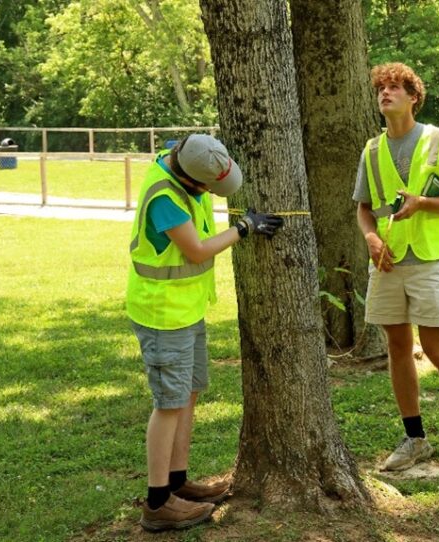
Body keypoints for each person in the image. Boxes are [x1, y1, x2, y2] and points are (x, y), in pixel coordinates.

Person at [126, 134, 283, 531]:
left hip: (185, 310)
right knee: (169, 404)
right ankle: (158, 502)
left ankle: (178, 483)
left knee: (188, 393)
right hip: (163, 315)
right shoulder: (165, 198)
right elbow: (195, 250)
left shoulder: (185, 156)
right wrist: (244, 228)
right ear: (192, 181)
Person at [353, 62, 439, 471]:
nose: (385, 93)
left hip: (428, 260)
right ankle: (415, 439)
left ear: (414, 97)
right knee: (397, 348)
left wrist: (424, 202)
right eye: (381, 88)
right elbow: (362, 208)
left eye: (395, 87)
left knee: (435, 348)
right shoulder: (371, 150)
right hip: (388, 262)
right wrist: (371, 238)